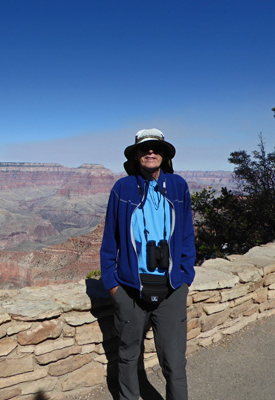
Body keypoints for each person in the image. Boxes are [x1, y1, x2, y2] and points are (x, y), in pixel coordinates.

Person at [100, 128, 196, 400]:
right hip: (130, 291)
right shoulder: (122, 189)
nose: (150, 152)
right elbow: (110, 240)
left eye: (156, 148)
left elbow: (187, 235)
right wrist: (113, 288)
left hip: (172, 290)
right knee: (128, 358)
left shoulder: (178, 186)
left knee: (175, 363)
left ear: (164, 154)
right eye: (144, 149)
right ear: (137, 155)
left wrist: (185, 278)